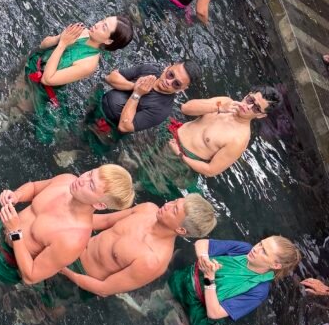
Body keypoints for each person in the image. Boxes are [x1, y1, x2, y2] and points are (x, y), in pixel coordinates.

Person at [0, 166, 135, 293]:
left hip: (5, 260)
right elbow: (35, 187)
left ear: (99, 204)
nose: (82, 179)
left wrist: (15, 232)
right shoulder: (67, 180)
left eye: (90, 185)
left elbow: (31, 276)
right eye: (90, 173)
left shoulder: (74, 238)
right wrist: (16, 196)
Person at [134, 236, 301, 325]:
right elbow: (201, 244)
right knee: (160, 296)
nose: (257, 249)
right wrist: (204, 259)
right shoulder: (244, 249)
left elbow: (214, 312)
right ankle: (142, 309)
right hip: (186, 281)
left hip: (196, 309)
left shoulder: (258, 291)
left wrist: (209, 277)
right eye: (261, 244)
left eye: (264, 251)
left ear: (276, 265)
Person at [62, 196, 217, 299]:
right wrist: (67, 219)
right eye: (175, 201)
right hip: (72, 247)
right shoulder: (148, 209)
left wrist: (62, 268)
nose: (168, 205)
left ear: (181, 230)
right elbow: (106, 220)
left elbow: (104, 289)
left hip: (78, 278)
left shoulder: (153, 260)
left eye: (174, 210)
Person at [138, 87, 282, 198]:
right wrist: (218, 108)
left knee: (139, 183)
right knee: (128, 155)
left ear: (261, 115)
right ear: (247, 94)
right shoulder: (225, 102)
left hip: (180, 161)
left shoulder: (238, 139)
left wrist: (180, 156)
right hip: (169, 133)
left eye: (256, 108)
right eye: (250, 100)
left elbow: (211, 170)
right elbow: (186, 108)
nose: (248, 107)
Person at [23, 15, 134, 142]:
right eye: (102, 20)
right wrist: (61, 37)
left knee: (10, 111)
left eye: (104, 27)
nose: (97, 24)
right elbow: (43, 45)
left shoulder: (89, 64)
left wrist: (63, 44)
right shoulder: (83, 32)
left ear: (108, 41)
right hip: (34, 64)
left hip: (38, 88)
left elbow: (47, 79)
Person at [86, 59, 198, 148]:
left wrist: (137, 94)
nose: (169, 82)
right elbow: (110, 77)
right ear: (167, 67)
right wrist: (134, 86)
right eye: (170, 74)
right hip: (96, 107)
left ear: (182, 89)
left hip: (105, 132)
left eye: (177, 84)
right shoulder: (149, 70)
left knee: (80, 144)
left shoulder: (162, 109)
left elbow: (124, 126)